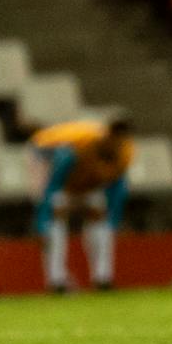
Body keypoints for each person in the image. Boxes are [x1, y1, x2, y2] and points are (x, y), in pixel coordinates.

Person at [31, 116, 136, 293]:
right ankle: (56, 280)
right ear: (107, 135)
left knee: (100, 220)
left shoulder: (124, 154)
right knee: (56, 221)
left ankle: (103, 278)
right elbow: (53, 184)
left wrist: (112, 222)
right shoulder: (78, 148)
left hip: (88, 187)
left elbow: (118, 191)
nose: (115, 144)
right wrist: (43, 222)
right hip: (46, 156)